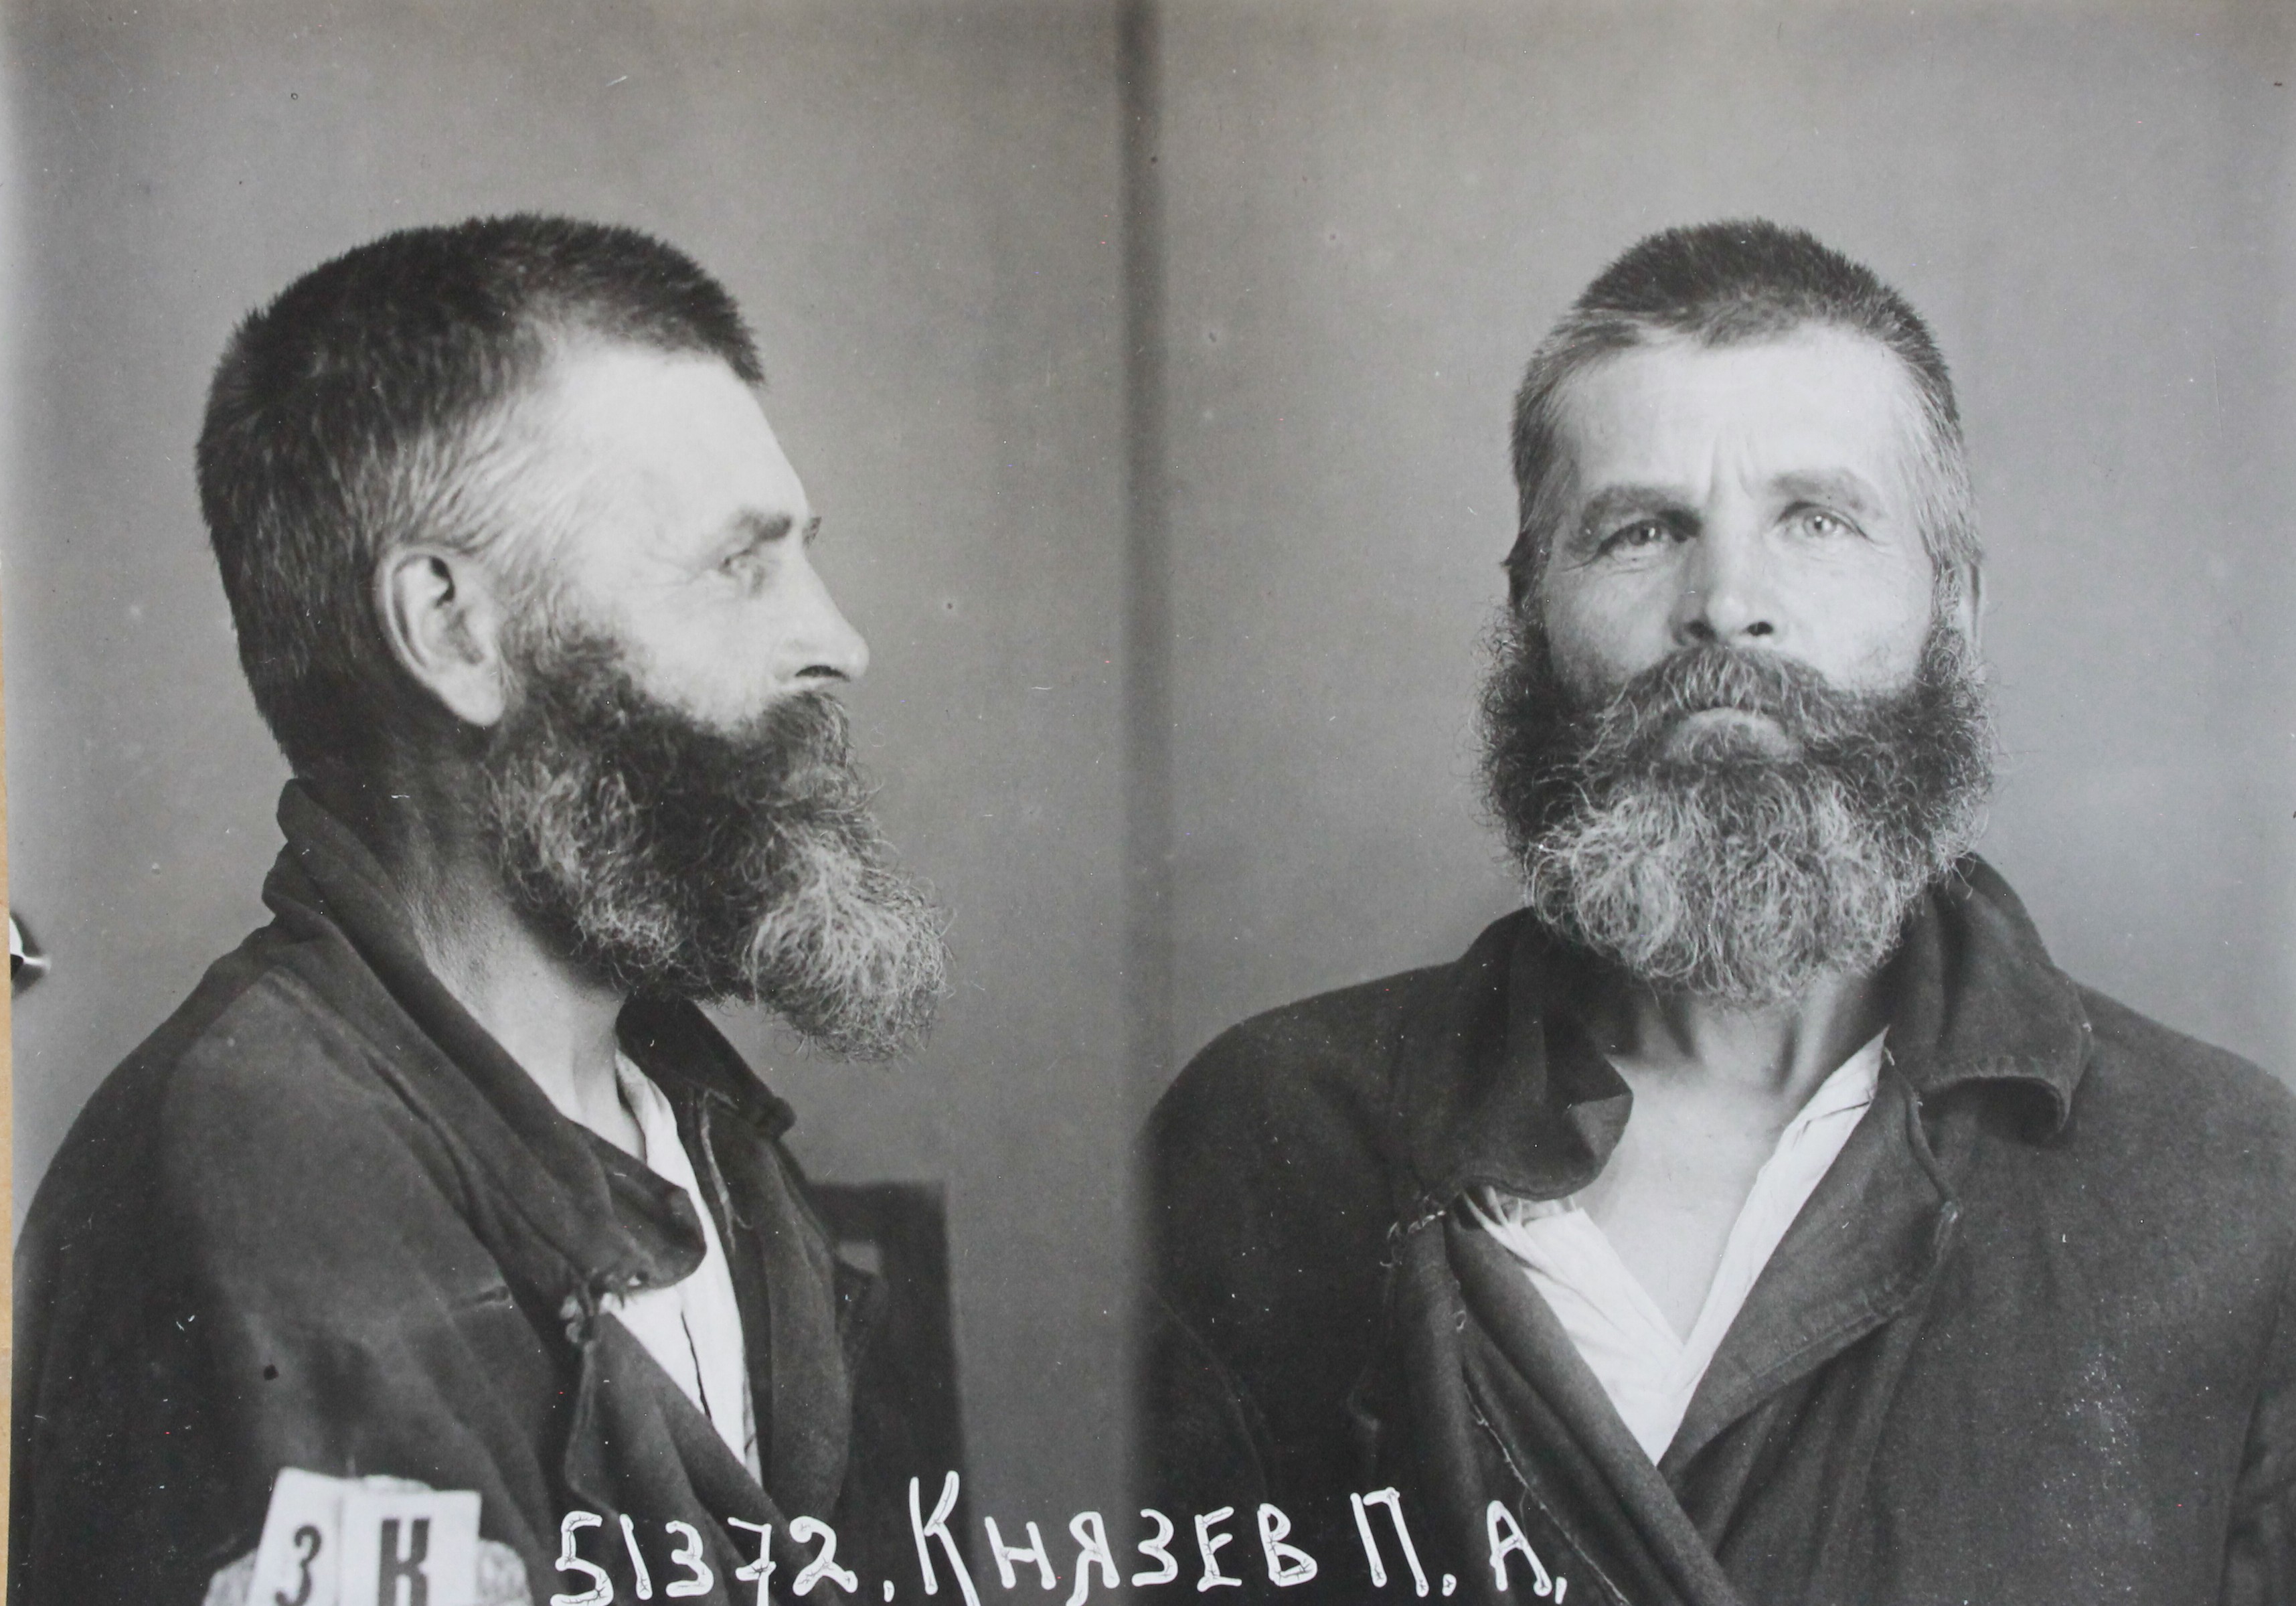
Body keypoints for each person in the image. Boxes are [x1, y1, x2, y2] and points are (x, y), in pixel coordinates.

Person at [1143, 220, 2296, 1605]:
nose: (1727, 606)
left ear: (1954, 611)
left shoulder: (2228, 1182)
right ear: (1529, 613)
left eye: (1815, 521)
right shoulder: (1270, 1135)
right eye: (1641, 532)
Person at [13, 216, 955, 1603]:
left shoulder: (690, 1117)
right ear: (454, 629)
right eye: (738, 565)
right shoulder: (265, 1180)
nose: (837, 642)